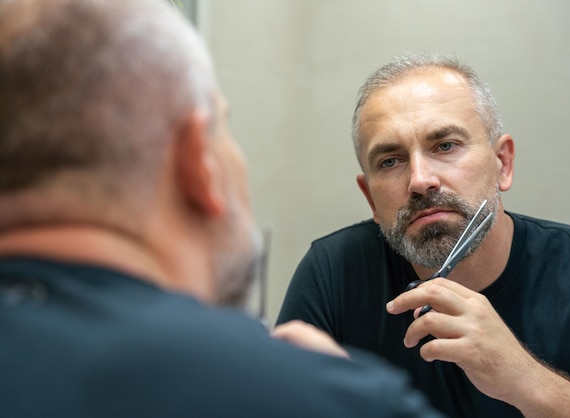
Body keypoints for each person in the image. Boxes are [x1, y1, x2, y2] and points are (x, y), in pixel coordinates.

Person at [0, 1, 448, 417]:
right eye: (223, 125)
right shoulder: (315, 396)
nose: (420, 180)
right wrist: (327, 393)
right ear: (197, 160)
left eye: (446, 145)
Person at [277, 53, 570, 417]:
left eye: (445, 146)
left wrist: (526, 380)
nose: (420, 180)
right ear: (370, 199)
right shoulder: (334, 274)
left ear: (502, 163)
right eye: (390, 161)